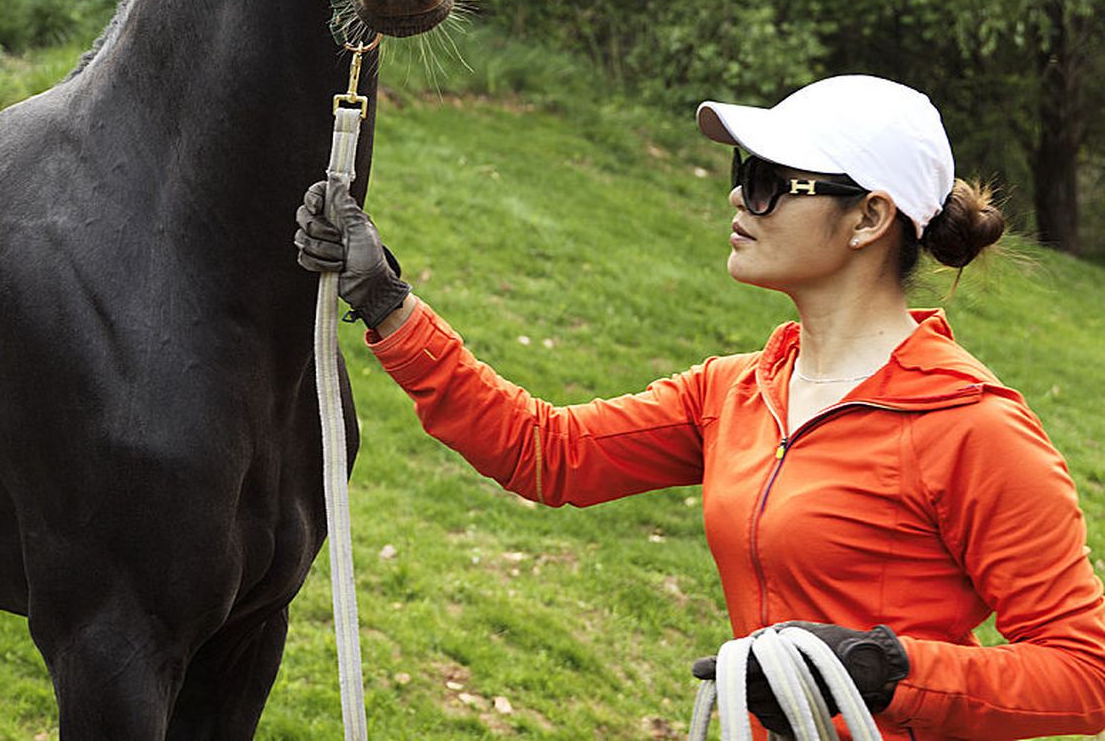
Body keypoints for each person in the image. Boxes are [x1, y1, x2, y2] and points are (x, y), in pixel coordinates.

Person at [295, 74, 1105, 740]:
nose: (737, 203)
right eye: (738, 176)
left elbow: (1083, 671)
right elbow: (545, 452)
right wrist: (387, 303)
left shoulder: (972, 426)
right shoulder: (734, 392)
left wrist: (887, 672)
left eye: (764, 183)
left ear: (869, 217)